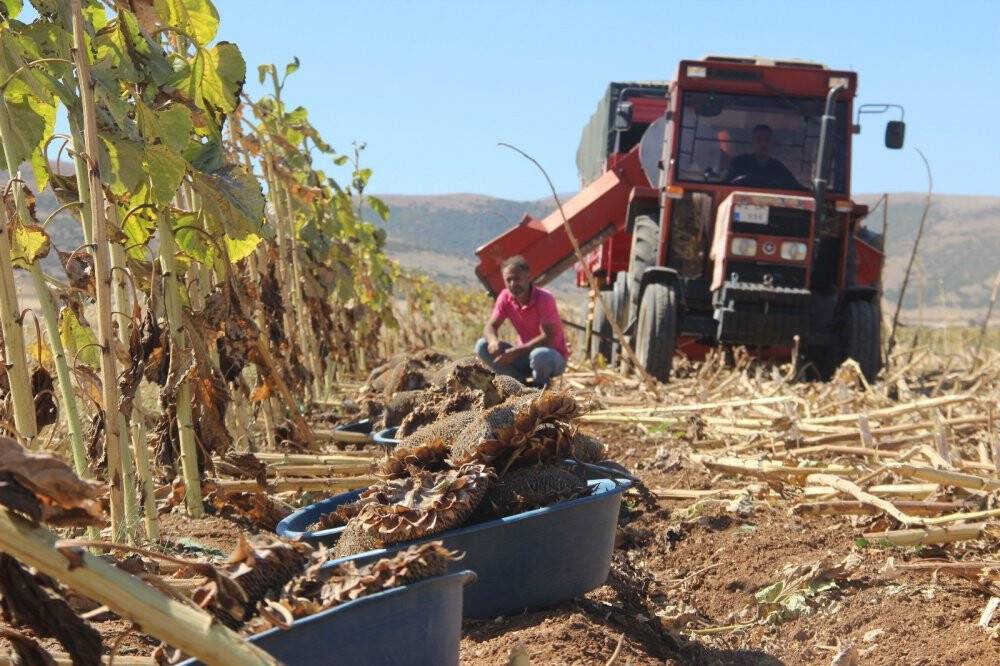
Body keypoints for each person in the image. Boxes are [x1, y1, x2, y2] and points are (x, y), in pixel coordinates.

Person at [475, 255, 569, 386]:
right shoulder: (505, 297)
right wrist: (493, 341)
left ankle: (540, 389)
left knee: (539, 355)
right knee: (482, 346)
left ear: (529, 277)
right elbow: (490, 326)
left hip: (552, 357)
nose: (513, 284)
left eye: (517, 279)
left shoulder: (544, 298)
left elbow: (549, 337)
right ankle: (518, 385)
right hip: (523, 356)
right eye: (509, 280)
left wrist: (517, 352)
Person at [724, 124, 804, 190]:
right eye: (759, 140)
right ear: (753, 142)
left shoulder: (779, 169)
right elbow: (725, 185)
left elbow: (798, 189)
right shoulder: (738, 163)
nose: (763, 144)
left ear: (772, 143)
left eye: (767, 140)